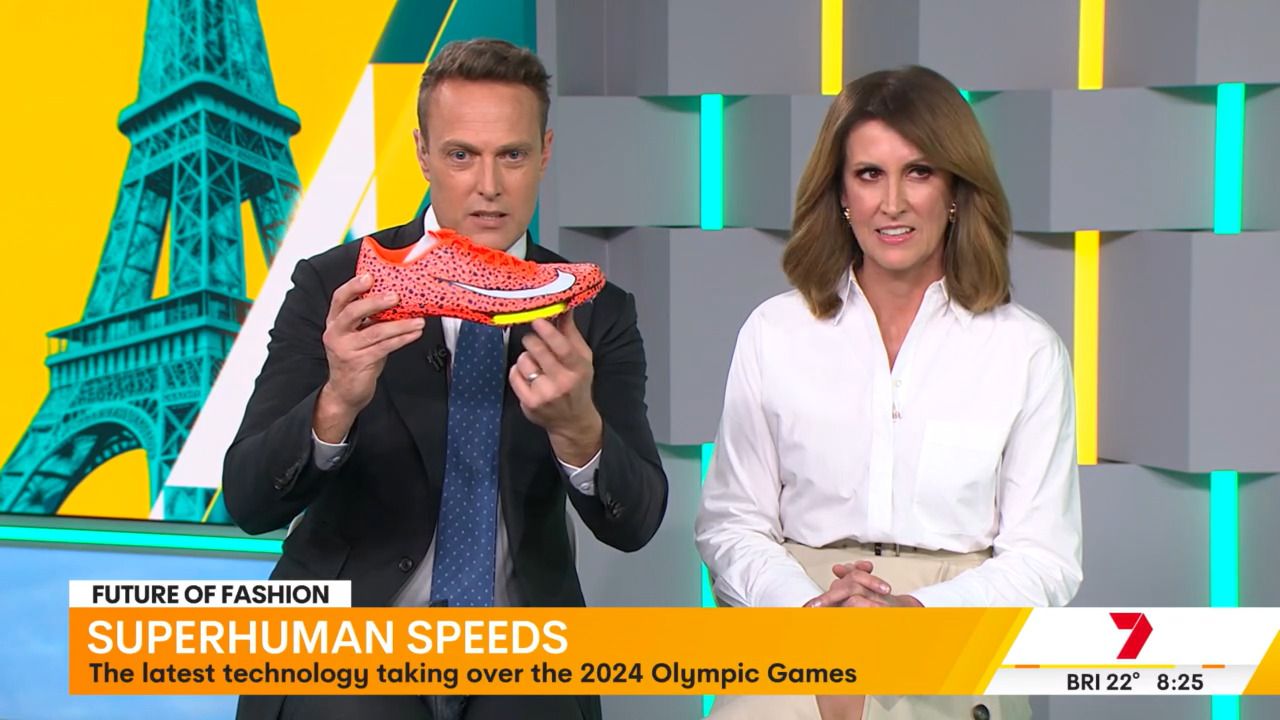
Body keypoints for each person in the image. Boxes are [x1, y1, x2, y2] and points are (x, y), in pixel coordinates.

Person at [224, 38, 668, 720]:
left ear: (544, 153)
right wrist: (336, 401)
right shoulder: (338, 285)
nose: (488, 186)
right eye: (461, 155)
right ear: (423, 153)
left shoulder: (595, 310)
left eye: (511, 155)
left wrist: (580, 429)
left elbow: (635, 523)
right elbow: (250, 502)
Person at [695, 65, 1082, 720]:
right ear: (841, 193)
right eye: (870, 174)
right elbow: (731, 522)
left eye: (919, 172)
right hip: (802, 610)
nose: (892, 203)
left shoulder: (1026, 350)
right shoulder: (774, 332)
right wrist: (805, 610)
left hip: (955, 622)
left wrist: (915, 614)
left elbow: (1045, 559)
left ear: (956, 190)